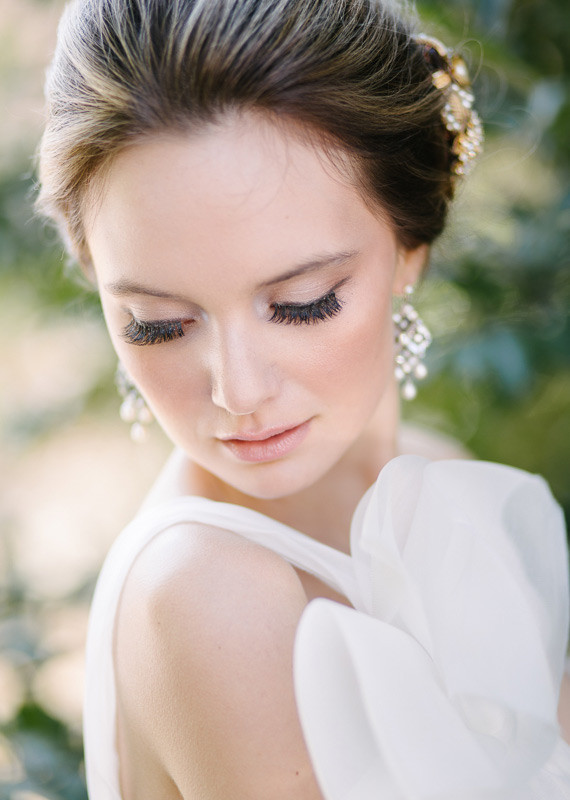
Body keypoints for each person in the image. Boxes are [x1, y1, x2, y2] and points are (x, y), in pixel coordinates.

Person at [37, 0, 570, 797]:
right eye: (158, 324)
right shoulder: (204, 592)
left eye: (303, 303)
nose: (238, 391)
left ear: (410, 247)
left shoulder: (440, 485)